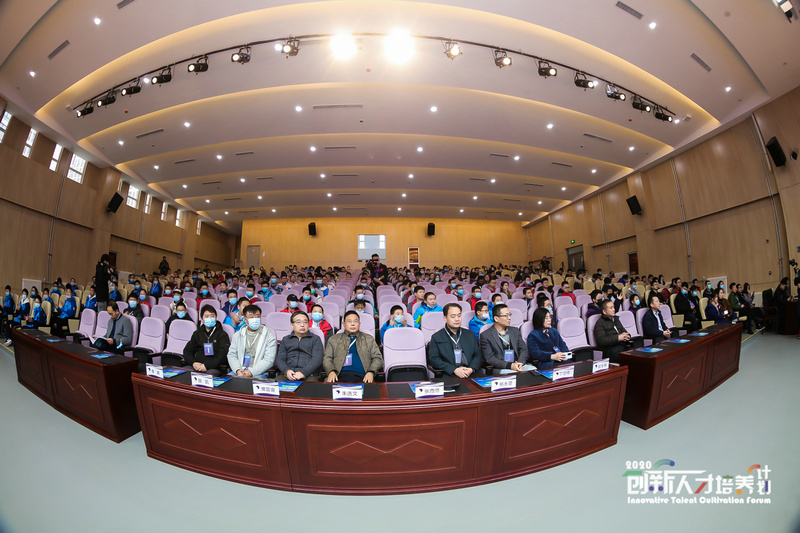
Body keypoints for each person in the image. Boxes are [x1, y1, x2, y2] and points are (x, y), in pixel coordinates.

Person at [323, 311, 383, 383]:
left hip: (364, 378)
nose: (352, 324)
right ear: (343, 324)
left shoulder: (369, 339)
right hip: (338, 377)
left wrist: (371, 372)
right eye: (349, 321)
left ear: (359, 324)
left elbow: (377, 358)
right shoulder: (334, 339)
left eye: (355, 321)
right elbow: (327, 358)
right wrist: (331, 371)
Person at [428, 303, 483, 378]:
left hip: (470, 373)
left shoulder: (470, 334)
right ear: (445, 318)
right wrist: (454, 369)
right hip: (450, 374)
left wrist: (471, 369)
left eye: (459, 316)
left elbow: (478, 355)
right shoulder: (437, 337)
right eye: (453, 316)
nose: (457, 319)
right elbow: (434, 360)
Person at [479, 303, 533, 373]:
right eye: (506, 315)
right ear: (496, 318)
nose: (509, 318)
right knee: (513, 374)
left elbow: (524, 349)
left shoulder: (515, 330)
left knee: (533, 370)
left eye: (509, 315)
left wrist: (520, 362)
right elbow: (490, 358)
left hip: (518, 364)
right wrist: (510, 366)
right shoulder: (486, 335)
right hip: (501, 367)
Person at [227, 305, 277, 378]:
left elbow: (268, 360)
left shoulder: (269, 336)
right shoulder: (237, 335)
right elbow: (232, 355)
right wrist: (237, 370)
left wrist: (251, 372)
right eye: (251, 317)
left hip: (259, 373)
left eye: (257, 316)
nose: (255, 319)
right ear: (245, 319)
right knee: (227, 382)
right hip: (239, 371)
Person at [275, 310, 323, 381]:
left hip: (309, 374)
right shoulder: (286, 339)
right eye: (298, 322)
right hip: (288, 374)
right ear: (292, 325)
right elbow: (280, 359)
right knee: (276, 384)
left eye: (305, 322)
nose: (302, 325)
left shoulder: (315, 339)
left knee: (311, 385)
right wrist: (286, 371)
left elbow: (317, 359)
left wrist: (303, 373)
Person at [182, 305, 230, 375]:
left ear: (216, 318)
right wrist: (193, 363)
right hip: (197, 365)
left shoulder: (222, 335)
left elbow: (222, 355)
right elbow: (187, 351)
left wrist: (207, 366)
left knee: (209, 375)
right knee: (184, 373)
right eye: (206, 316)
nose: (209, 318)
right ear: (202, 320)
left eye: (212, 316)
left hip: (214, 367)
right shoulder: (197, 333)